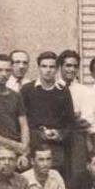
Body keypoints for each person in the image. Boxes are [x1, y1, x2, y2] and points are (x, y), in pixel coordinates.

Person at [20, 51, 76, 179]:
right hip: (34, 143)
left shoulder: (63, 91)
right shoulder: (27, 90)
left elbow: (70, 122)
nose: (48, 70)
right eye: (44, 66)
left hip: (56, 147)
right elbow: (22, 120)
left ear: (57, 69)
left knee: (55, 180)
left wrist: (59, 134)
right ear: (39, 68)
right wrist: (37, 135)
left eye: (52, 67)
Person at [56, 49, 92, 182]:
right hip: (57, 137)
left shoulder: (84, 91)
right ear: (60, 67)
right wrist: (73, 117)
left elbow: (87, 119)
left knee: (77, 173)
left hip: (76, 137)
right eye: (68, 65)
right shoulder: (53, 87)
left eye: (75, 66)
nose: (72, 69)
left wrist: (68, 119)